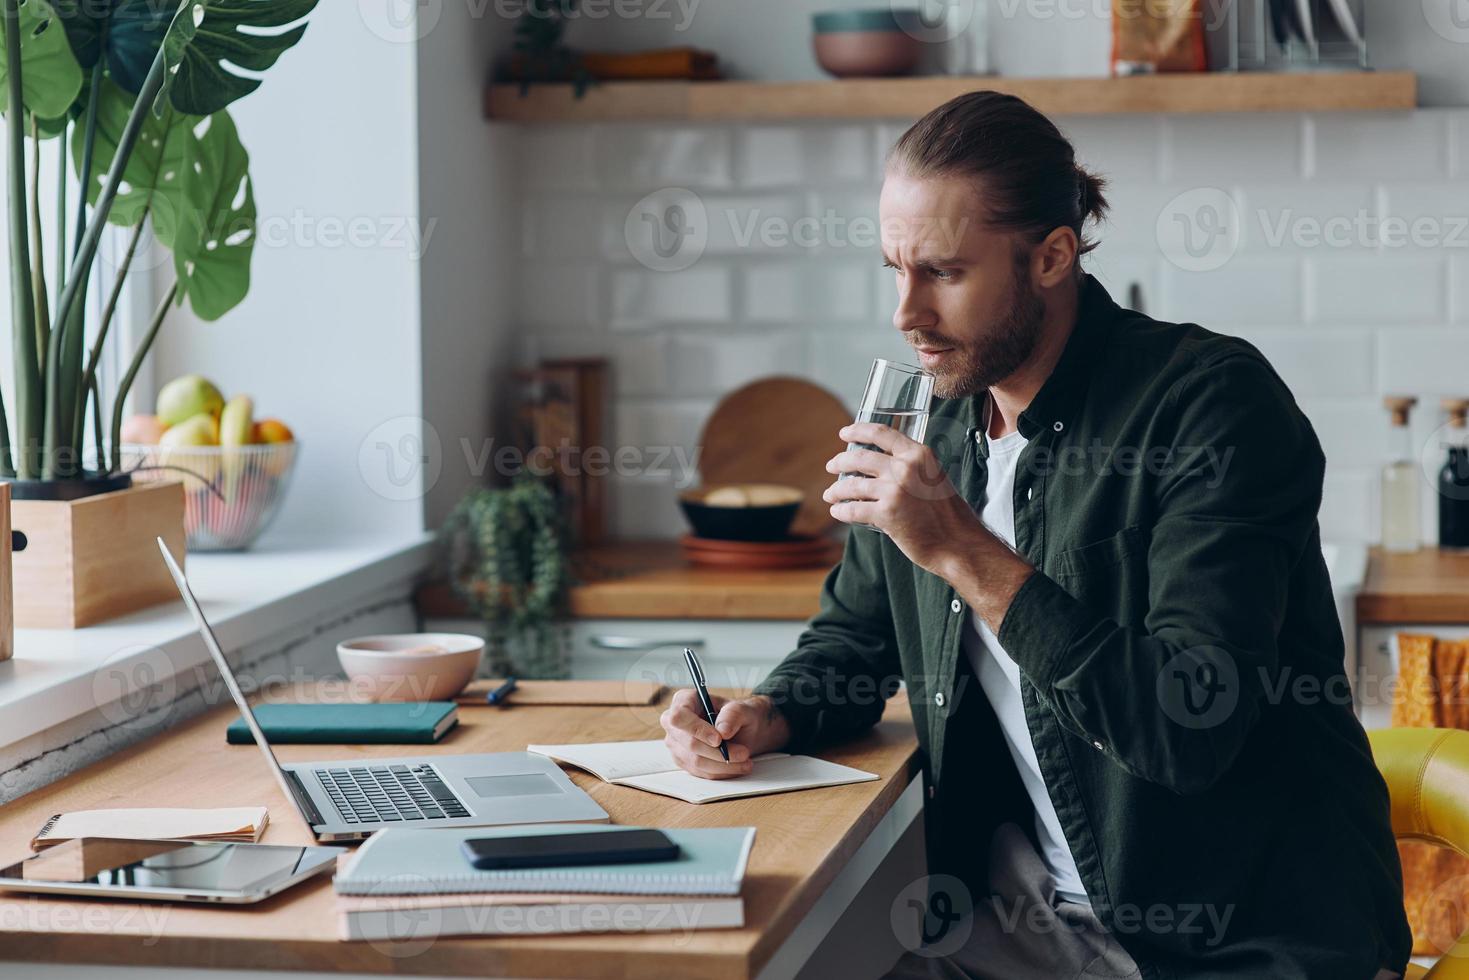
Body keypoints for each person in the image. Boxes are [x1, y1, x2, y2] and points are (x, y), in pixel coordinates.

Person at [659, 91, 1410, 980]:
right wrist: (768, 714)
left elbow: (1186, 728)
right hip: (1022, 921)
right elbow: (855, 638)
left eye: (942, 272)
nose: (906, 311)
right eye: (893, 269)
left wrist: (957, 548)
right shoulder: (936, 426)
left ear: (1051, 255)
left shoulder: (1210, 405)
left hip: (1234, 940)